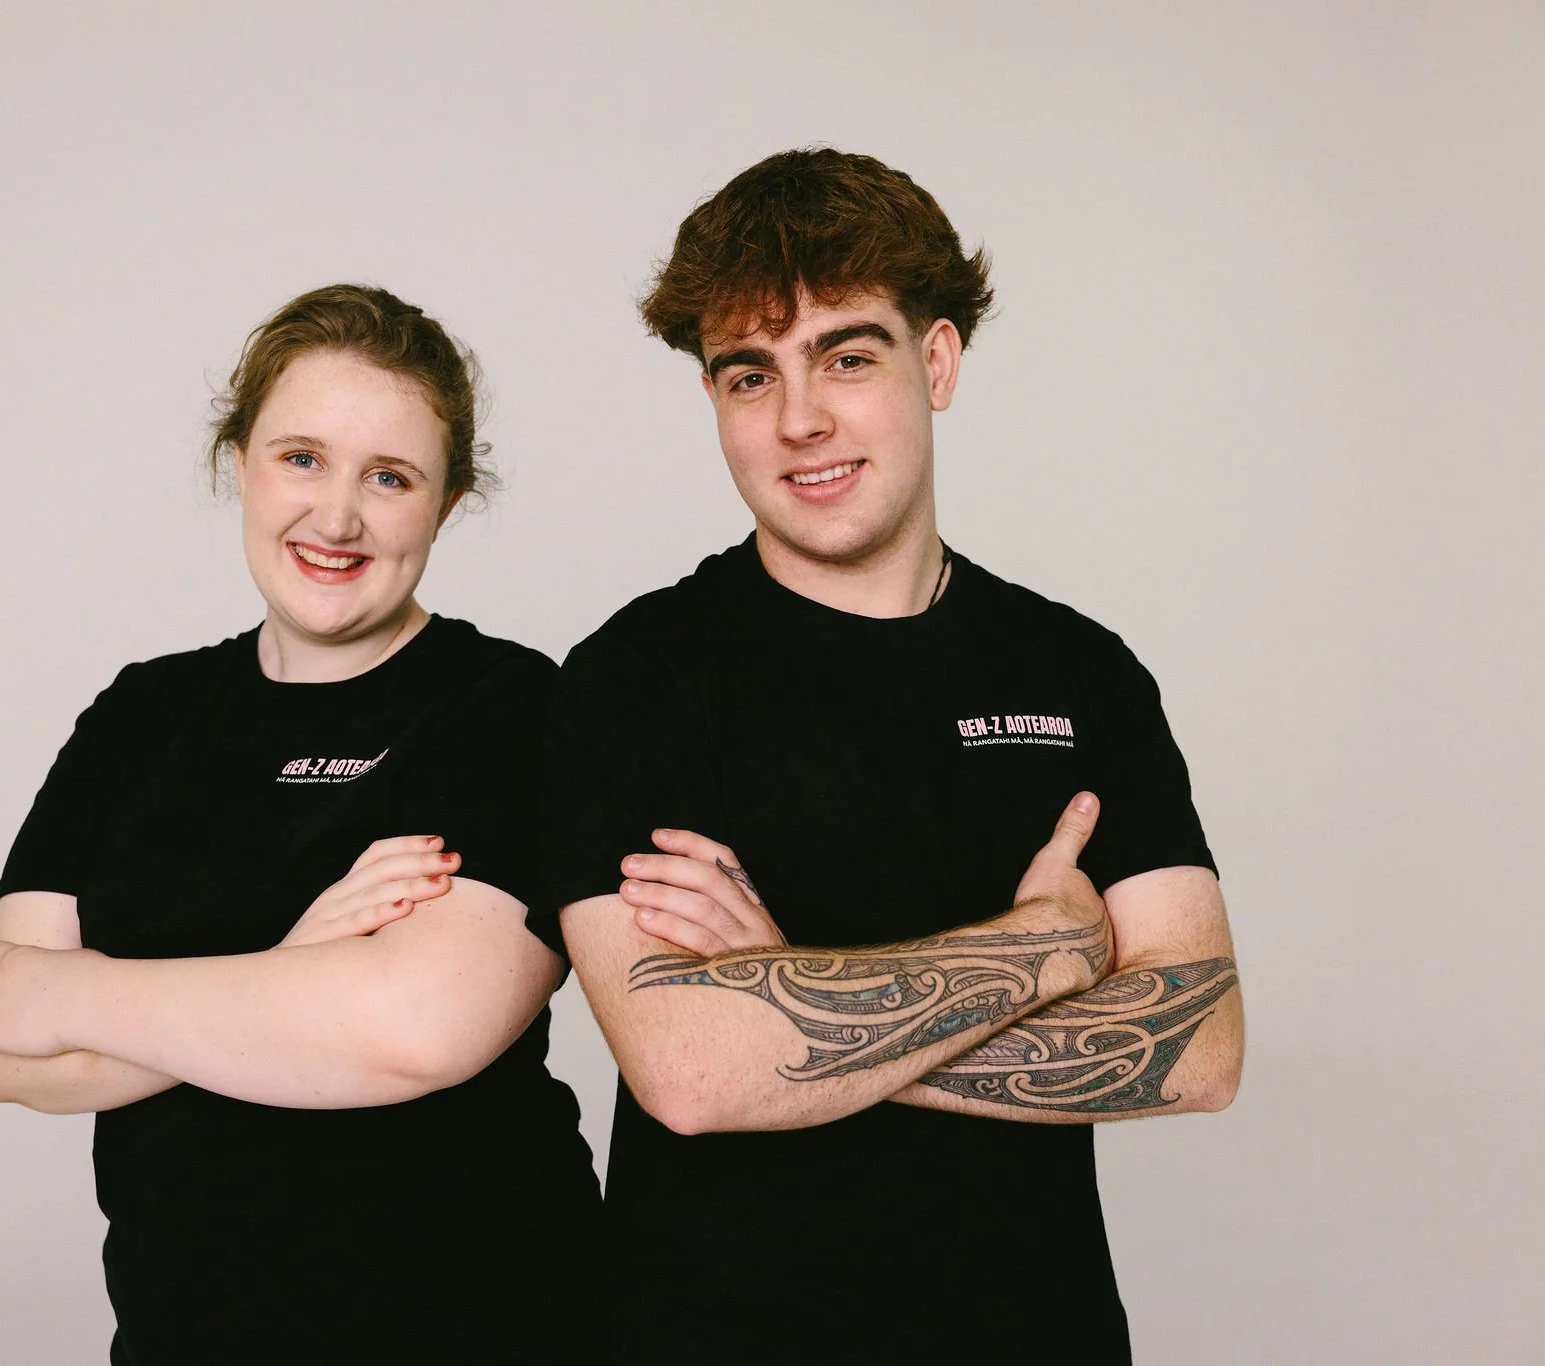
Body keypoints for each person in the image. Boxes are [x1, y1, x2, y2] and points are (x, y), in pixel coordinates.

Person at [534, 148, 1245, 1363]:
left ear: (937, 361)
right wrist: (1042, 949)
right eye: (748, 374)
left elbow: (1197, 1047)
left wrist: (791, 1002)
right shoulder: (632, 680)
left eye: (845, 356)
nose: (798, 417)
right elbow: (694, 1071)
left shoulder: (1079, 671)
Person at [0, 284, 606, 1363]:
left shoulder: (507, 708)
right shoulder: (139, 717)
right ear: (239, 463)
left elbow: (418, 1031)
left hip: (479, 1327)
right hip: (185, 1333)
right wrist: (297, 963)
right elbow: (10, 1054)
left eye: (388, 477)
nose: (336, 517)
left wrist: (80, 993)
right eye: (300, 457)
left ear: (445, 505)